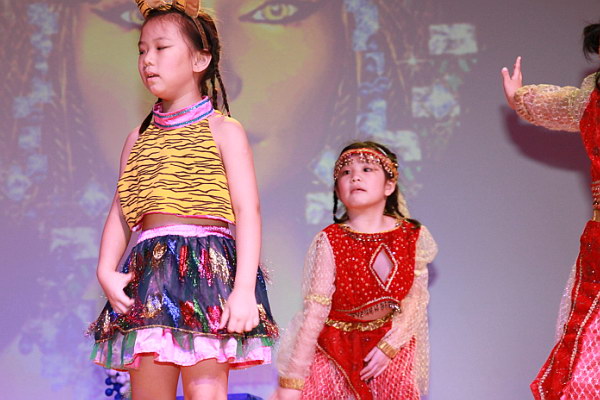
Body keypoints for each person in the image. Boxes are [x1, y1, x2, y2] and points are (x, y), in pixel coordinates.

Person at [87, 1, 278, 399]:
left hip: (206, 271)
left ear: (200, 59)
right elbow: (122, 210)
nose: (147, 60)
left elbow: (248, 211)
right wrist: (105, 269)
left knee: (206, 392)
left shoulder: (224, 130)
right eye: (142, 50)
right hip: (150, 273)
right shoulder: (137, 138)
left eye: (161, 48)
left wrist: (244, 288)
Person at [271, 142, 437, 400]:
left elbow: (415, 299)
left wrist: (390, 346)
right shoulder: (330, 239)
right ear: (337, 189)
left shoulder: (412, 236)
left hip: (390, 340)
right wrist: (294, 378)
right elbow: (315, 310)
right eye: (345, 172)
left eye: (367, 169)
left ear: (389, 186)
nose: (355, 177)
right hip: (334, 345)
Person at [501, 23, 600, 400]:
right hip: (598, 247)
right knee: (582, 370)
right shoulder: (592, 98)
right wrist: (520, 97)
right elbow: (561, 105)